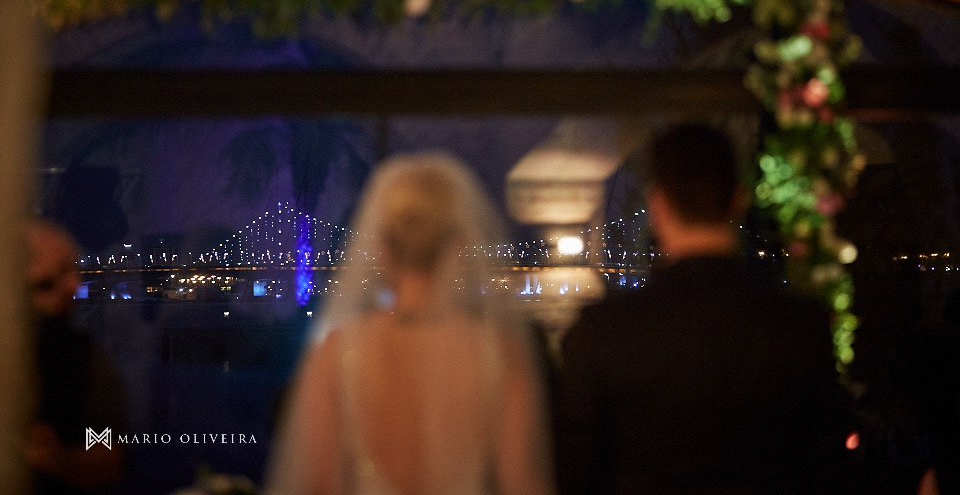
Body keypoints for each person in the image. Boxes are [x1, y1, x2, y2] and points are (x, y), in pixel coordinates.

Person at [556, 123, 852, 495]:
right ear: (738, 199)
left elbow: (577, 475)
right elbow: (828, 470)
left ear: (658, 205)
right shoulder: (799, 326)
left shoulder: (603, 332)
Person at [264, 154, 554, 495]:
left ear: (382, 249)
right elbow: (521, 484)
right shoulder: (498, 355)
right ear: (459, 248)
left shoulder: (336, 353)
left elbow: (319, 485)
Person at [24, 219, 128, 494]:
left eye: (72, 271)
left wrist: (60, 460)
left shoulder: (82, 357)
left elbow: (108, 452)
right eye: (45, 284)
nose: (73, 287)